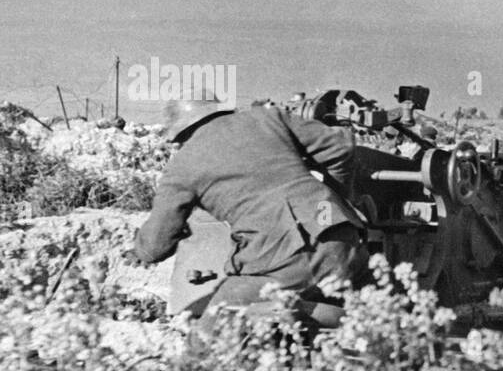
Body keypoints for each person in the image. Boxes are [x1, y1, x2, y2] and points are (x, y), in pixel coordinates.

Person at [131, 96, 369, 308]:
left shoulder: (183, 164)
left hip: (281, 262)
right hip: (343, 242)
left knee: (209, 337)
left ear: (181, 133)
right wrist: (333, 200)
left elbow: (155, 243)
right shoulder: (268, 117)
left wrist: (140, 251)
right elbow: (342, 147)